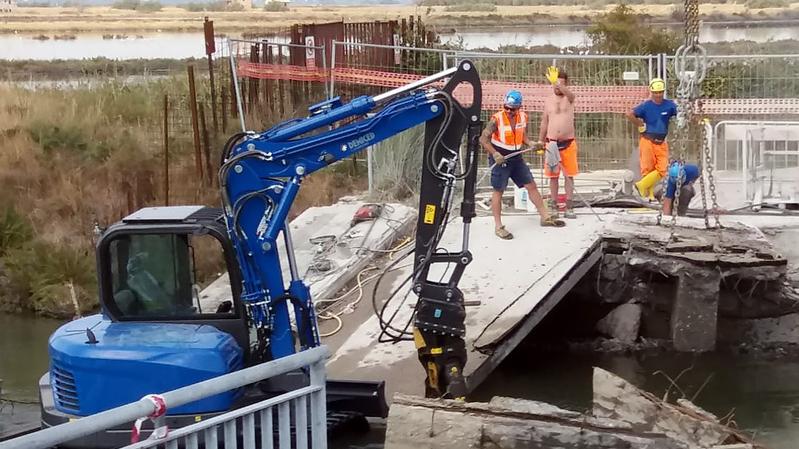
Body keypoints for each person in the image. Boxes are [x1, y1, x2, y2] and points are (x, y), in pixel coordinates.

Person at [480, 89, 565, 240]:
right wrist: (495, 154)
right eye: (507, 107)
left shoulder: (523, 117)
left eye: (512, 109)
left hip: (516, 156)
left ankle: (545, 217)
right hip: (500, 157)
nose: (509, 111)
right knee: (498, 190)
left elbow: (522, 136)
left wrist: (532, 143)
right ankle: (498, 226)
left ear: (519, 107)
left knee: (531, 185)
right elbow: (483, 139)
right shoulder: (496, 119)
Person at [625, 78, 678, 200]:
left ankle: (641, 186)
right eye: (655, 92)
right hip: (647, 140)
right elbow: (629, 114)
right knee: (647, 169)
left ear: (663, 92)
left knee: (663, 169)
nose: (658, 95)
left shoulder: (669, 105)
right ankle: (648, 195)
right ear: (651, 92)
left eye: (660, 92)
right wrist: (640, 124)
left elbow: (680, 112)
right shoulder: (646, 106)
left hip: (661, 142)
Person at [539, 67, 578, 219]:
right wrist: (541, 141)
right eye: (555, 83)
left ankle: (569, 205)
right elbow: (544, 122)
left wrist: (559, 84)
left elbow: (571, 94)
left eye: (561, 83)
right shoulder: (548, 101)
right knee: (553, 176)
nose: (557, 86)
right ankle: (553, 203)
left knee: (569, 176)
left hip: (568, 143)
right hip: (552, 144)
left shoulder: (569, 98)